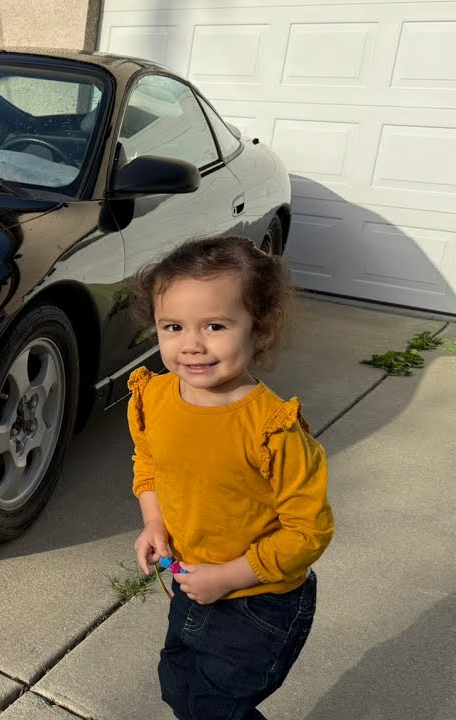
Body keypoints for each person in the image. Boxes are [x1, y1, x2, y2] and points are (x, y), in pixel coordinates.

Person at [127, 235, 335, 719]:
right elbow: (149, 461)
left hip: (258, 603)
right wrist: (154, 521)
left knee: (215, 706)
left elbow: (309, 530)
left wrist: (227, 577)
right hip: (191, 579)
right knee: (179, 685)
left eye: (215, 325)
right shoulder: (156, 397)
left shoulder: (272, 430)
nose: (191, 344)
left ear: (259, 330)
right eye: (173, 326)